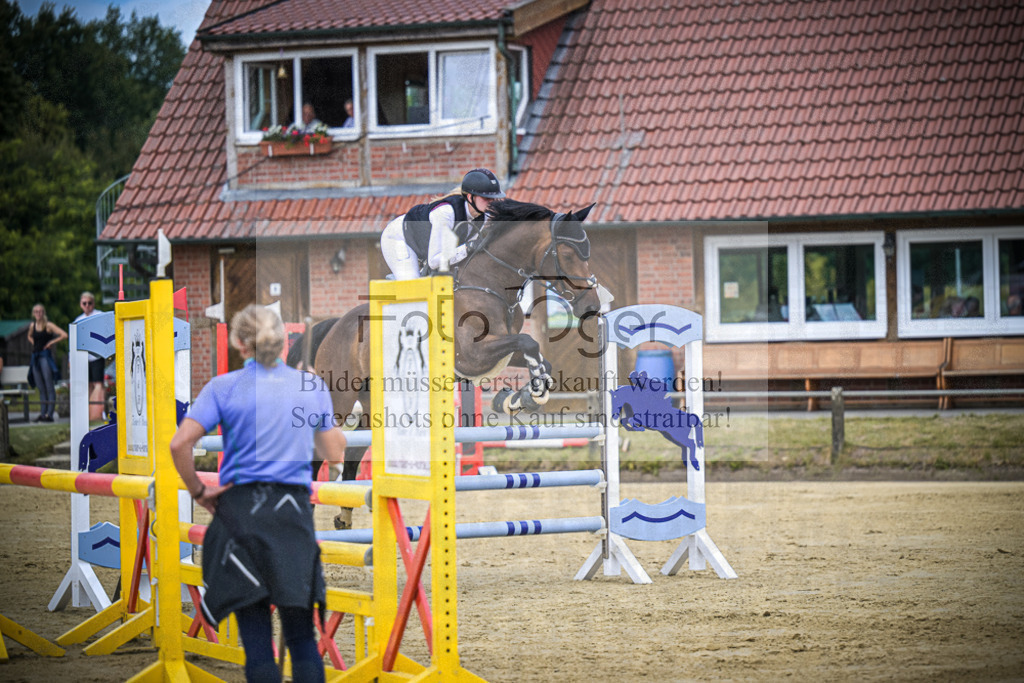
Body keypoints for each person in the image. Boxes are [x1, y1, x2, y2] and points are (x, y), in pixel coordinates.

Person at [170, 305, 346, 683]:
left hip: (239, 518)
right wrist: (317, 395)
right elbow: (335, 453)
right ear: (285, 341)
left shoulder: (223, 386)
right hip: (291, 519)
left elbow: (179, 444)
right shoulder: (309, 386)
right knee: (301, 638)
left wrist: (200, 491)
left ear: (238, 343)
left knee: (256, 644)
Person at [380, 168, 505, 280]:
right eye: (486, 198)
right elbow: (434, 261)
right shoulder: (446, 213)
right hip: (399, 238)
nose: (492, 203)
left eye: (494, 198)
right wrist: (468, 248)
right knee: (412, 286)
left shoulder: (483, 217)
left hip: (425, 245)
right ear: (470, 197)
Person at [27, 303, 67, 422]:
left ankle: (49, 414)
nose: (38, 314)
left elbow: (64, 335)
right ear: (33, 314)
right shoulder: (32, 325)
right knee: (40, 387)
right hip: (35, 357)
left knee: (49, 386)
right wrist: (33, 342)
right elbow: (29, 336)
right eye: (36, 312)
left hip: (45, 357)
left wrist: (51, 343)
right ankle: (42, 413)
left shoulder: (48, 325)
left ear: (43, 313)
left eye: (40, 311)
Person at [73, 291, 107, 421]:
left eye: (89, 303)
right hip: (83, 358)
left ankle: (98, 411)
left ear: (93, 303)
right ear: (81, 304)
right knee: (88, 385)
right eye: (84, 303)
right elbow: (74, 340)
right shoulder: (78, 320)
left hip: (97, 356)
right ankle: (88, 412)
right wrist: (72, 359)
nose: (87, 306)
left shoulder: (99, 316)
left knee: (98, 384)